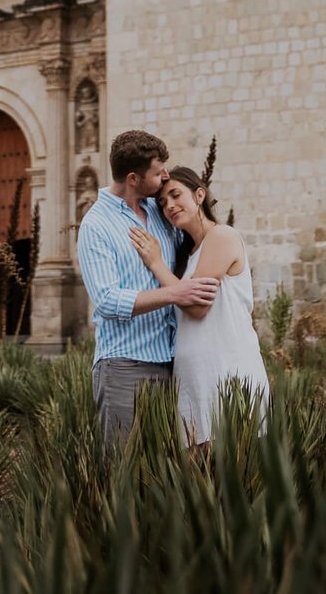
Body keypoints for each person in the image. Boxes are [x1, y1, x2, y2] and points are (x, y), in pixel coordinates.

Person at [77, 131, 220, 448]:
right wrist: (175, 294)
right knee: (126, 477)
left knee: (168, 477)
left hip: (173, 366)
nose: (166, 177)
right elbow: (107, 301)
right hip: (124, 369)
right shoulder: (96, 226)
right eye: (158, 173)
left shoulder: (160, 211)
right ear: (132, 178)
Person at [129, 166, 270, 448]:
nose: (169, 205)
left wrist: (155, 263)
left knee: (229, 473)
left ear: (199, 195)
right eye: (162, 202)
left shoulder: (223, 236)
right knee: (202, 479)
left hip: (226, 373)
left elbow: (195, 307)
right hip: (194, 377)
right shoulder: (188, 253)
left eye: (175, 195)